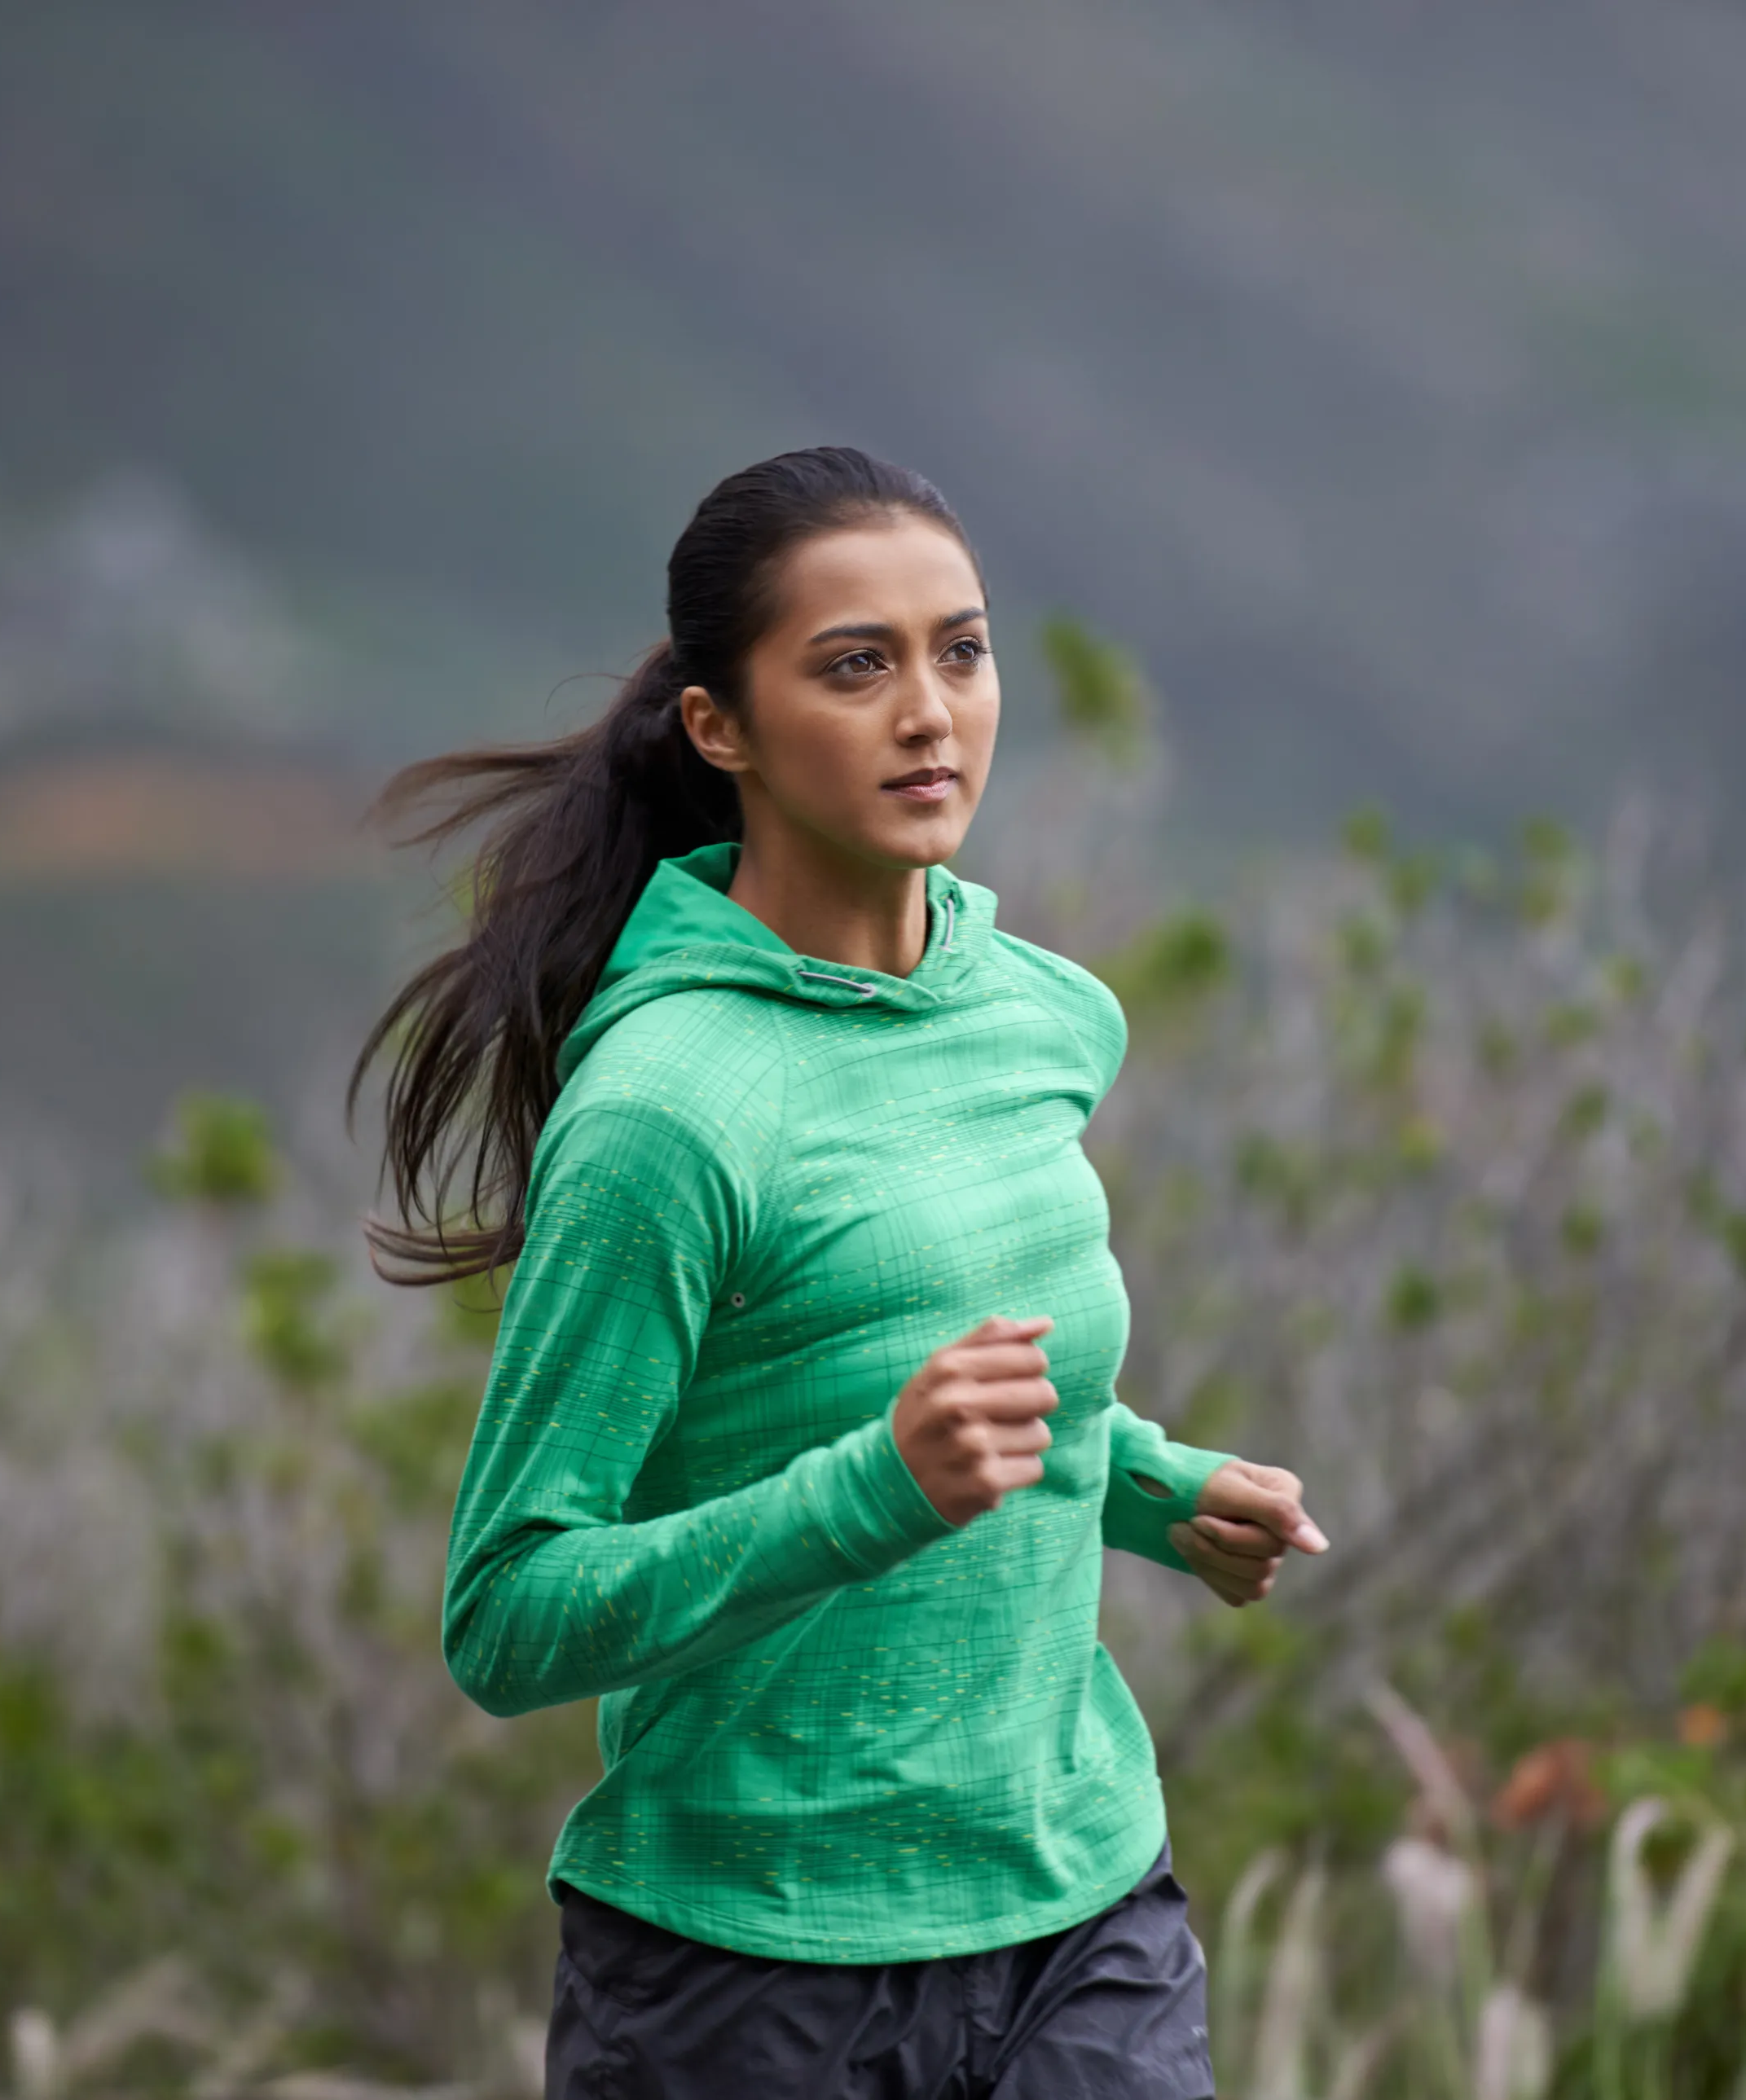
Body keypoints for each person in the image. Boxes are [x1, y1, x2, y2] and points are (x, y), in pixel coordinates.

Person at [350, 446, 1328, 2098]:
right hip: (747, 1981)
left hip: (1079, 1907)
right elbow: (505, 1612)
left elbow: (950, 1363)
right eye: (854, 665)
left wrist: (1155, 1485)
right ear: (718, 727)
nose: (930, 711)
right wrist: (867, 1489)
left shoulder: (1039, 1012)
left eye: (961, 648)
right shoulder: (664, 1113)